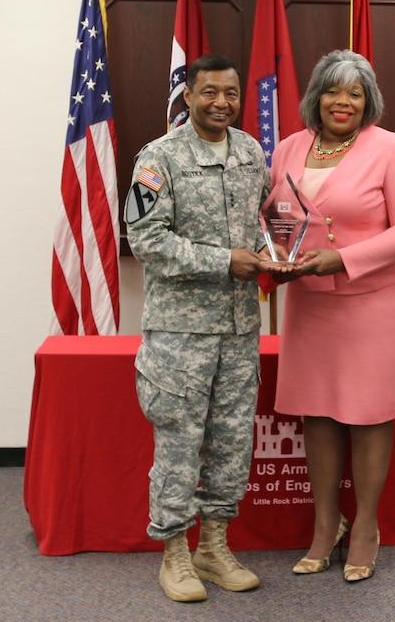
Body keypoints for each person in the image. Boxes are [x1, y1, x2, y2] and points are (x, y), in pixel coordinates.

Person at [263, 50, 395, 583]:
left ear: (368, 101)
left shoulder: (392, 149)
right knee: (317, 410)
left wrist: (346, 258)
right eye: (334, 91)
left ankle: (365, 527)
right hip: (310, 300)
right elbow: (276, 214)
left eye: (355, 93)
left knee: (368, 412)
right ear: (317, 96)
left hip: (372, 299)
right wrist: (274, 258)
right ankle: (325, 524)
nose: (343, 102)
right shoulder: (290, 146)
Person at [125, 54, 270, 603]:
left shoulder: (252, 153)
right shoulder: (157, 159)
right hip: (179, 336)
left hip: (239, 331)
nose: (221, 103)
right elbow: (146, 241)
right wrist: (222, 260)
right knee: (180, 444)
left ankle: (213, 545)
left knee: (233, 444)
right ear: (187, 96)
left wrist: (272, 255)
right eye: (209, 93)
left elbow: (258, 223)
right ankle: (175, 554)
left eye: (231, 94)